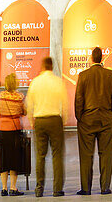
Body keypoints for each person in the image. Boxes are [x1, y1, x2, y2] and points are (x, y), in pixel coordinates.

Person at [74, 46, 112, 196]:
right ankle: (105, 187)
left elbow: (79, 99)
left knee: (86, 155)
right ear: (102, 59)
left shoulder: (83, 75)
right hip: (106, 118)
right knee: (106, 154)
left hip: (87, 119)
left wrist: (80, 117)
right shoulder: (111, 75)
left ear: (91, 58)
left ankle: (86, 188)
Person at [26, 56, 67, 198]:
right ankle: (57, 189)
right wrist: (63, 120)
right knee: (57, 155)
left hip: (40, 121)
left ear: (42, 66)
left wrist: (32, 122)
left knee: (40, 156)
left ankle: (39, 189)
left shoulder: (35, 82)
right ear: (52, 67)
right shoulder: (58, 82)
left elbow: (29, 105)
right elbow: (65, 104)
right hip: (55, 119)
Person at [0, 73, 26, 197]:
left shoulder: (1, 96)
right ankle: (13, 187)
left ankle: (4, 188)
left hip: (2, 129)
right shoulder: (19, 97)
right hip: (14, 129)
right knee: (14, 158)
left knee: (4, 158)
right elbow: (24, 111)